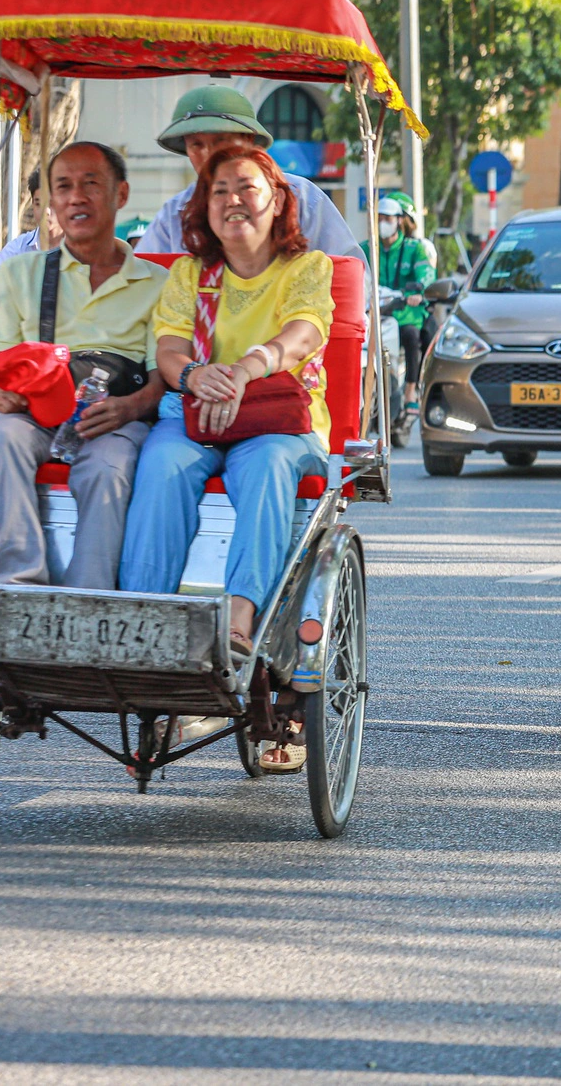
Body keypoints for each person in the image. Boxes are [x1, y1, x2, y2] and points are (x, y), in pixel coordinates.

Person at [121, 146, 334, 685]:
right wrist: (196, 376)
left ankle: (240, 621)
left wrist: (244, 370)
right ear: (204, 205)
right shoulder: (192, 275)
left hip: (280, 423)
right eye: (219, 191)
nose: (232, 201)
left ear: (278, 199)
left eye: (247, 188)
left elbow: (302, 334)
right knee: (162, 460)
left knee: (264, 467)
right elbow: (167, 352)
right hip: (197, 418)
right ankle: (146, 616)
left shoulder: (307, 268)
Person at [0, 142, 168, 590]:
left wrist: (130, 407)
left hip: (113, 418)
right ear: (51, 201)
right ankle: (17, 585)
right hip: (37, 411)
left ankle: (88, 600)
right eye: (63, 187)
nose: (76, 197)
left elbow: (162, 377)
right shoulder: (20, 273)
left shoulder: (157, 282)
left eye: (90, 185)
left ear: (120, 195)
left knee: (108, 470)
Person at [132, 85, 361, 259]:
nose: (209, 154)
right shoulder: (174, 215)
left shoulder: (303, 198)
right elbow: (146, 281)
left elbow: (352, 277)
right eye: (196, 145)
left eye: (221, 141)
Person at [371, 190, 435, 413]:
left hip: (406, 313)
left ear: (399, 220)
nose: (382, 224)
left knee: (411, 336)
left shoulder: (414, 249)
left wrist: (419, 290)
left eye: (387, 220)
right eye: (378, 219)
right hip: (376, 313)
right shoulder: (367, 248)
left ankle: (410, 390)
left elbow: (426, 274)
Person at [0, 169, 66, 265]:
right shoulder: (18, 249)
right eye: (38, 204)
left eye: (51, 204)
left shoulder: (80, 249)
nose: (45, 211)